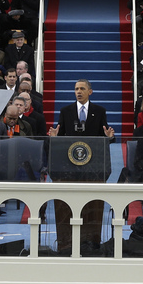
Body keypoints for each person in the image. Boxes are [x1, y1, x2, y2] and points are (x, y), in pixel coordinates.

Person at [47, 79, 114, 255]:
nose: (78, 91)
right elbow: (61, 137)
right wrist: (55, 137)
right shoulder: (66, 111)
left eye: (82, 89)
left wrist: (109, 138)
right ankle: (65, 242)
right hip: (69, 169)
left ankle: (92, 241)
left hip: (93, 170)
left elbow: (103, 136)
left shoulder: (99, 111)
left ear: (90, 91)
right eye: (76, 89)